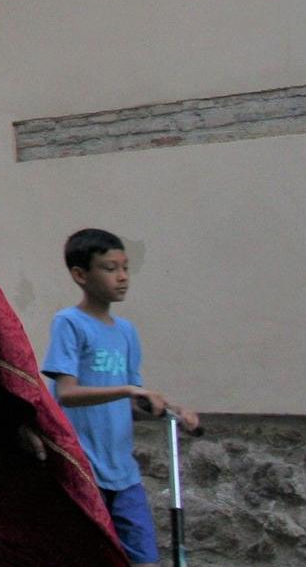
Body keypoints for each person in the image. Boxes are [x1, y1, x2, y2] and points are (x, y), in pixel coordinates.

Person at [43, 229, 201, 566]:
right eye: (110, 268)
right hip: (84, 466)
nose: (122, 277)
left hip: (122, 471)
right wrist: (129, 390)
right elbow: (67, 393)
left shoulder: (126, 332)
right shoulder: (69, 323)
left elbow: (133, 403)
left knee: (144, 556)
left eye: (125, 268)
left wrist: (172, 411)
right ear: (80, 275)